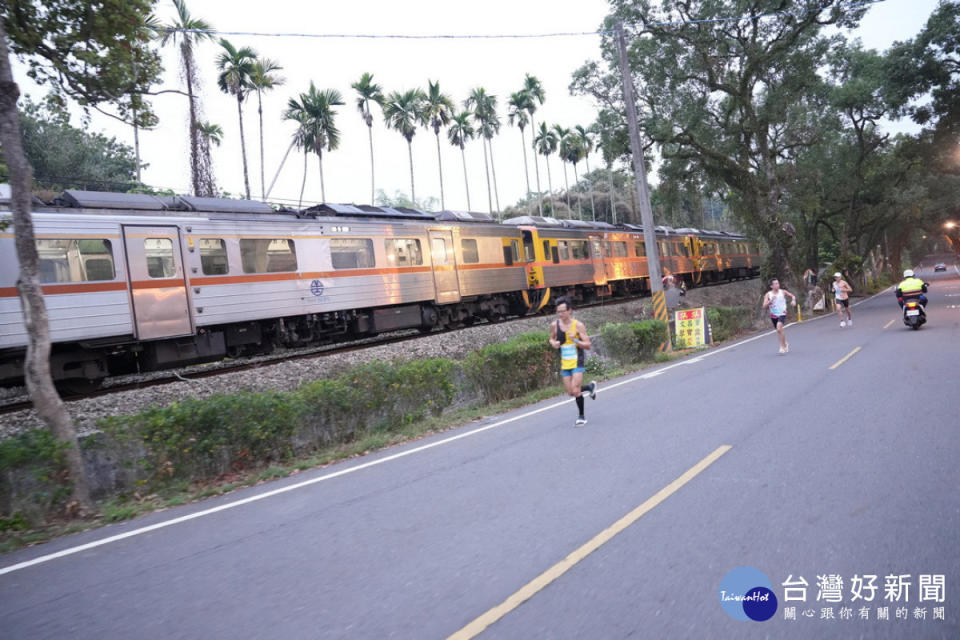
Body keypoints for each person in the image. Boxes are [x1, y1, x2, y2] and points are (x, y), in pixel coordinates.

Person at [548, 298, 597, 426]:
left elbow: (588, 345)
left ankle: (581, 416)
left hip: (577, 361)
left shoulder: (578, 325)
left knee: (576, 390)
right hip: (565, 363)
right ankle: (590, 387)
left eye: (563, 311)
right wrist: (554, 344)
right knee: (570, 392)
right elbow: (551, 339)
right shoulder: (554, 325)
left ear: (570, 311)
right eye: (558, 312)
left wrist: (575, 340)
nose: (560, 314)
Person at [761, 278, 797, 354]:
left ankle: (781, 347)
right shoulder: (768, 294)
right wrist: (770, 300)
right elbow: (764, 306)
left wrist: (793, 300)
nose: (778, 285)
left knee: (779, 328)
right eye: (776, 284)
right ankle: (785, 343)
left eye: (778, 283)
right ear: (771, 286)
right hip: (773, 315)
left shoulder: (783, 292)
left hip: (782, 313)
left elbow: (792, 296)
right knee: (779, 330)